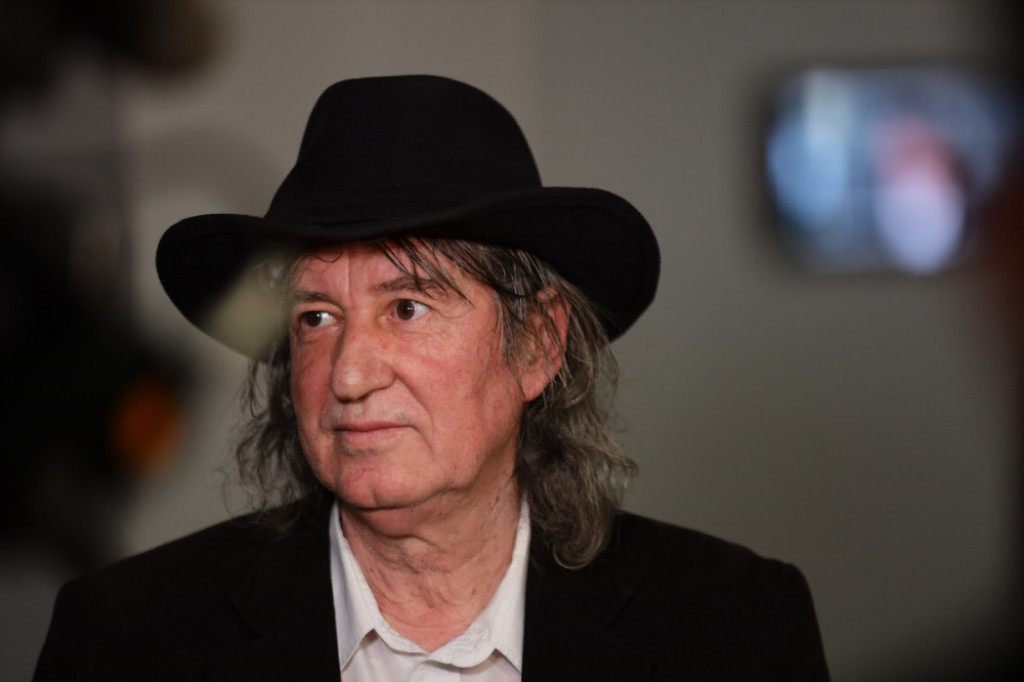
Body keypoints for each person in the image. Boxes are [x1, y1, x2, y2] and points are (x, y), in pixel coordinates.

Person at [33, 75, 830, 681]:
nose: (349, 375)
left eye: (408, 307)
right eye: (316, 317)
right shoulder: (125, 640)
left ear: (538, 344)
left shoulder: (735, 628)